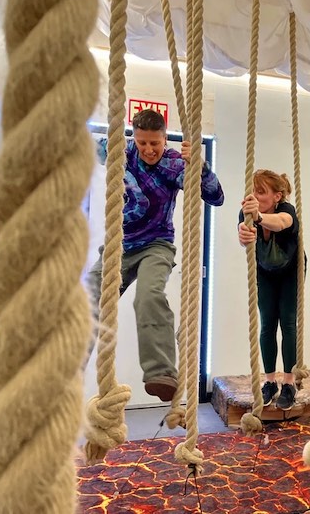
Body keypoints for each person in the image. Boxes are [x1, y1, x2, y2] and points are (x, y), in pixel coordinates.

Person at [87, 108, 224, 402]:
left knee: (148, 296)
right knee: (86, 298)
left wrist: (201, 168)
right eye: (142, 143)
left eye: (155, 143)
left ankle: (161, 372)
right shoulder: (121, 153)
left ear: (165, 139)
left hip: (156, 245)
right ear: (134, 138)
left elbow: (216, 197)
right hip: (119, 246)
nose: (148, 150)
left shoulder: (175, 165)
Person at [238, 169, 303, 411]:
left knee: (287, 322)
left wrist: (260, 218)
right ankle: (270, 381)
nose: (254, 195)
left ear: (277, 197)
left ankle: (289, 383)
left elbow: (282, 223)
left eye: (261, 192)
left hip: (290, 270)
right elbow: (243, 235)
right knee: (267, 324)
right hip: (265, 270)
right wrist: (243, 233)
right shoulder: (247, 212)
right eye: (253, 191)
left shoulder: (286, 210)